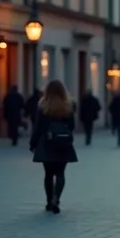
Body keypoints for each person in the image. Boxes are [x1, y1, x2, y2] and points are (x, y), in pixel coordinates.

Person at [30, 79, 77, 213]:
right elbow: (72, 126)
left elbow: (38, 127)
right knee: (61, 173)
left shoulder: (43, 106)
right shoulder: (68, 106)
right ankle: (57, 198)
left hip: (47, 143)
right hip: (64, 143)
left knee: (48, 174)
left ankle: (49, 201)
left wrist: (33, 143)